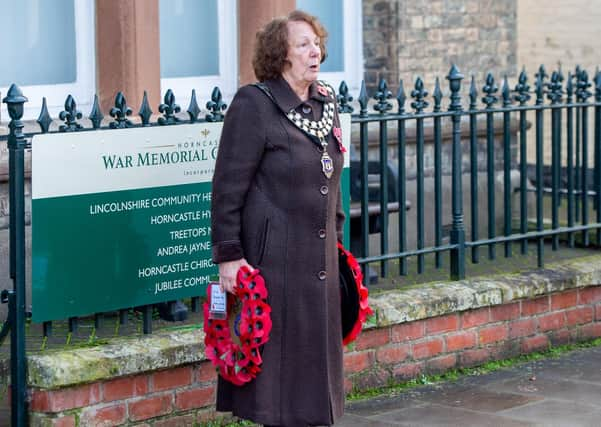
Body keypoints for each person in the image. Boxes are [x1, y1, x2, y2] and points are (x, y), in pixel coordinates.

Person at [211, 10, 346, 427]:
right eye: (303, 44)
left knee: (315, 366)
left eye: (317, 43)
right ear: (280, 54)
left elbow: (333, 176)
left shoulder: (326, 103)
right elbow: (227, 187)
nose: (315, 51)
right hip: (274, 263)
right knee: (279, 376)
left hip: (318, 257)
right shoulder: (255, 104)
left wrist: (337, 242)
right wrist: (229, 256)